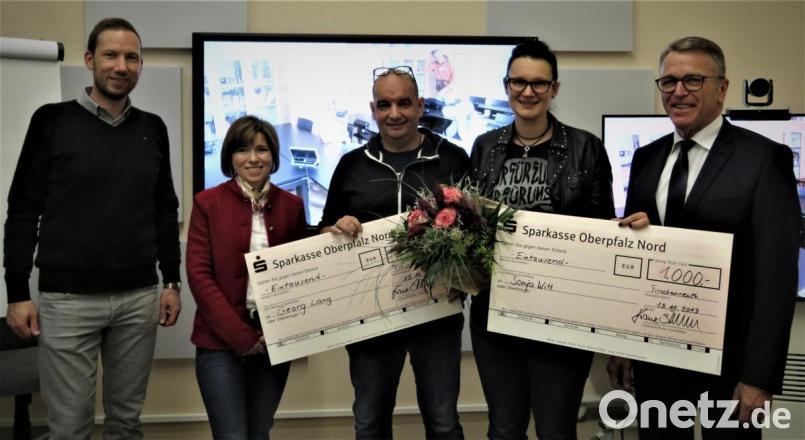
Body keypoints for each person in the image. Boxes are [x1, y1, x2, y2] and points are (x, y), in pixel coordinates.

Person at [607, 36, 800, 439]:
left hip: (731, 365)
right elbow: (637, 261)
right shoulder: (647, 159)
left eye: (693, 80)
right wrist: (622, 346)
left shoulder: (764, 159)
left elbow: (776, 278)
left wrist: (759, 378)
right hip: (656, 355)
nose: (679, 92)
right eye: (668, 81)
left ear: (723, 88)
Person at [3, 18, 181, 439]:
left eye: (131, 57)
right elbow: (23, 208)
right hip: (66, 302)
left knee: (126, 424)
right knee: (68, 429)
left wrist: (171, 280)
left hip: (138, 299)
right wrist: (16, 292)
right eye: (110, 55)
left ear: (140, 64)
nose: (121, 65)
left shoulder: (152, 129)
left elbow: (164, 209)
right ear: (89, 60)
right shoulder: (51, 121)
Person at [469, 40, 615, 440]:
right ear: (506, 85)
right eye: (518, 81)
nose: (527, 92)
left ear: (555, 89)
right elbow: (471, 227)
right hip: (496, 314)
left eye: (538, 83)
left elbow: (601, 233)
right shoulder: (483, 148)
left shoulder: (587, 148)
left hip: (563, 315)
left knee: (556, 429)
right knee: (504, 428)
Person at [319, 66, 469, 440]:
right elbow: (323, 230)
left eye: (404, 103)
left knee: (443, 423)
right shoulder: (351, 164)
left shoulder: (453, 158)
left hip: (436, 314)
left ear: (420, 105)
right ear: (373, 109)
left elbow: (477, 231)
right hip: (370, 315)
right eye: (384, 104)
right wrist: (336, 229)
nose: (394, 113)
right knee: (369, 423)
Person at [186, 115, 307, 439]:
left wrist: (280, 329)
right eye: (243, 149)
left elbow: (299, 274)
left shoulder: (292, 206)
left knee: (259, 432)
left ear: (273, 156)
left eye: (262, 149)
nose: (253, 158)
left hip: (273, 341)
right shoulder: (206, 203)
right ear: (230, 157)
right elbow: (200, 276)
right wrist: (241, 337)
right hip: (219, 344)